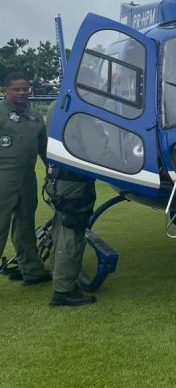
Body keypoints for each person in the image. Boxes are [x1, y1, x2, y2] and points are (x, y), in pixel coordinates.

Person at [43, 96, 102, 306]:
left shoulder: (55, 105)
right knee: (73, 233)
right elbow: (98, 150)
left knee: (61, 228)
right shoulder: (82, 111)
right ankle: (63, 291)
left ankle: (59, 277)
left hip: (56, 178)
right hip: (74, 182)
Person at [0, 71, 51, 286]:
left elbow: (44, 148)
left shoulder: (35, 116)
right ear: (4, 90)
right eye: (17, 89)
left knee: (25, 225)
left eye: (25, 89)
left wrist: (52, 170)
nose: (22, 93)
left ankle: (31, 270)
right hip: (3, 177)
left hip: (27, 178)